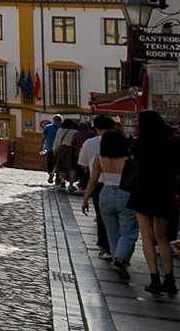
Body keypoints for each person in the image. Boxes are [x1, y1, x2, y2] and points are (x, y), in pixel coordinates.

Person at [127, 110, 180, 295]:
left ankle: (154, 278)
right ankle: (170, 280)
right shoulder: (173, 144)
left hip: (143, 192)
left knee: (147, 237)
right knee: (163, 238)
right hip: (164, 193)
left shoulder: (139, 144)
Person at [84, 121, 137, 278]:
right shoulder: (128, 159)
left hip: (105, 194)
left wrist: (85, 199)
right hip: (125, 194)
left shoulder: (100, 159)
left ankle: (117, 258)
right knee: (129, 231)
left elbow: (92, 181)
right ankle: (120, 259)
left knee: (112, 231)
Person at [78, 119, 109, 253]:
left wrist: (85, 199)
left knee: (102, 217)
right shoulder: (123, 141)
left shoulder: (90, 143)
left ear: (96, 129)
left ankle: (105, 247)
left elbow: (83, 164)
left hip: (99, 183)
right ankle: (120, 251)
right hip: (121, 185)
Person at [44, 115, 63, 180]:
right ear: (61, 120)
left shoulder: (48, 127)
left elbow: (42, 138)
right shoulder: (63, 127)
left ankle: (50, 173)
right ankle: (58, 178)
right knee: (59, 164)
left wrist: (41, 147)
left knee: (50, 163)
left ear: (53, 120)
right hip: (60, 150)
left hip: (50, 149)